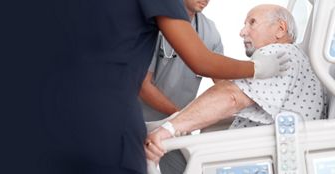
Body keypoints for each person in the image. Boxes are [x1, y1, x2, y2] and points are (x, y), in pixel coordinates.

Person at [42, 1, 289, 174]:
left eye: (252, 23)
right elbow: (200, 64)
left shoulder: (209, 30)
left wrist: (200, 115)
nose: (243, 31)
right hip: (130, 121)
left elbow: (225, 88)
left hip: (161, 129)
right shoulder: (162, 15)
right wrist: (256, 70)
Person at [145, 4, 327, 165]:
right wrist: (186, 121)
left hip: (257, 158)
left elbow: (231, 96)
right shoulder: (298, 59)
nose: (242, 31)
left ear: (280, 29)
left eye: (252, 22)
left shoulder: (278, 56)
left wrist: (170, 128)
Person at [139, 0, 222, 173]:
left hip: (175, 128)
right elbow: (142, 86)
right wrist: (182, 117)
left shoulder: (210, 32)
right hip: (139, 122)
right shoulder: (153, 24)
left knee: (184, 169)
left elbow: (222, 82)